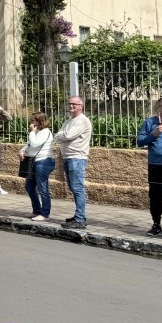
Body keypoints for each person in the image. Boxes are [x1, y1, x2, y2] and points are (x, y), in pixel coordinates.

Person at [136, 96, 162, 238]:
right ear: (159, 107)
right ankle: (156, 226)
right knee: (155, 197)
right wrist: (153, 135)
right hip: (155, 166)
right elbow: (140, 141)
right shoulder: (149, 122)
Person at [55, 96, 92, 230]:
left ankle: (80, 218)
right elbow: (58, 136)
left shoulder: (82, 121)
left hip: (77, 158)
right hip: (68, 157)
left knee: (77, 188)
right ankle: (78, 215)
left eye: (74, 104)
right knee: (73, 187)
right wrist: (62, 135)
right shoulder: (69, 121)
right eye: (70, 103)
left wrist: (62, 135)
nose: (71, 106)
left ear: (81, 106)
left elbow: (67, 135)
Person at [21, 112, 55, 221]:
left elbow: (35, 144)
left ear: (40, 121)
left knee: (42, 188)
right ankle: (36, 210)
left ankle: (45, 213)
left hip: (43, 161)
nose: (32, 122)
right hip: (34, 162)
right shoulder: (37, 132)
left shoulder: (45, 132)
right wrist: (22, 150)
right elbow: (29, 144)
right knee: (29, 186)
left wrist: (32, 132)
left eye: (33, 120)